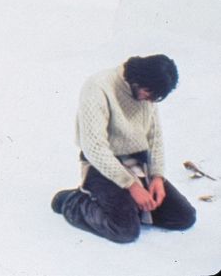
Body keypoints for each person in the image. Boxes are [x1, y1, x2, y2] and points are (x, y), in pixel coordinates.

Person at [51, 55, 196, 243]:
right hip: (101, 166)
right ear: (137, 80)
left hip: (138, 165)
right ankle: (73, 202)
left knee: (184, 217)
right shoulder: (98, 87)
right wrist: (132, 186)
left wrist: (158, 177)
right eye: (148, 93)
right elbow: (94, 147)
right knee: (125, 231)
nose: (149, 101)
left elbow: (155, 138)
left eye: (155, 98)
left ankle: (128, 208)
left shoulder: (148, 95)